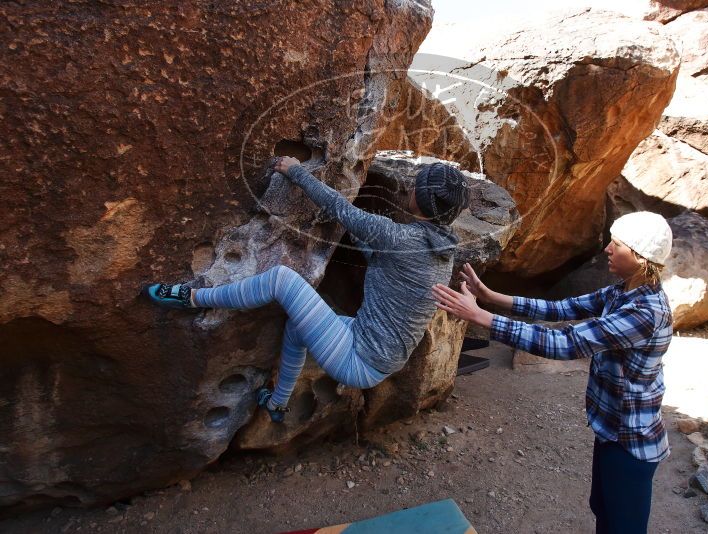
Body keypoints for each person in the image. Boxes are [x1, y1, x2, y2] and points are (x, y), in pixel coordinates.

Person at [148, 157, 470, 423]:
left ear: (424, 198)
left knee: (282, 280)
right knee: (297, 328)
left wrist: (295, 171)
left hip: (359, 356)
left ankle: (191, 297)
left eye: (418, 183)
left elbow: (344, 211)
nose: (411, 185)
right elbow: (382, 261)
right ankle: (277, 404)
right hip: (376, 354)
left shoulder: (403, 239)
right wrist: (355, 231)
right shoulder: (441, 250)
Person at [432, 211, 674, 534]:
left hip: (631, 443)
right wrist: (490, 298)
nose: (608, 249)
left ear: (641, 258)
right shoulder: (624, 290)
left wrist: (482, 318)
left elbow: (567, 343)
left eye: (618, 245)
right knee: (604, 512)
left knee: (622, 527)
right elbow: (561, 309)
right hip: (612, 431)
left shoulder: (645, 313)